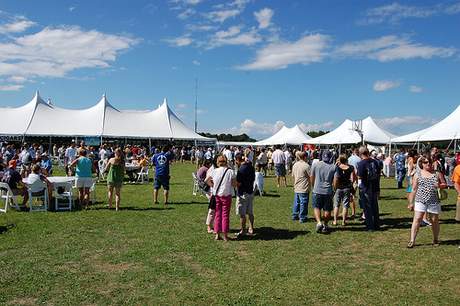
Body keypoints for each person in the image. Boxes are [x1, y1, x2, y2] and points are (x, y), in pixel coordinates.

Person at [407, 156, 446, 248]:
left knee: (434, 220)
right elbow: (413, 189)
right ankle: (412, 240)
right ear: (422, 164)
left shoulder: (437, 173)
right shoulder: (417, 174)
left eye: (429, 162)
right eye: (425, 162)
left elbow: (444, 184)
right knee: (417, 219)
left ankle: (435, 239)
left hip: (434, 200)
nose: (428, 164)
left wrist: (440, 185)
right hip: (420, 200)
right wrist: (411, 203)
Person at [205, 155, 235, 241]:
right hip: (226, 196)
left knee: (217, 215)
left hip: (217, 195)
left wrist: (213, 185)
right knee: (225, 215)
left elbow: (206, 180)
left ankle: (217, 234)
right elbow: (234, 184)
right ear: (226, 162)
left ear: (218, 163)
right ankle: (225, 235)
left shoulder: (214, 171)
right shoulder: (230, 171)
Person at [310, 150, 336, 233]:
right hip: (328, 191)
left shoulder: (315, 164)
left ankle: (319, 222)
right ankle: (325, 224)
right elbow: (335, 180)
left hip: (317, 190)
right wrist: (334, 189)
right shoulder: (333, 167)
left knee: (316, 207)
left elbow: (312, 176)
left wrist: (313, 186)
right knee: (327, 209)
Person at [357, 146, 381, 231]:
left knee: (367, 207)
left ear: (360, 154)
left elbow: (359, 176)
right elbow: (378, 175)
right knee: (375, 206)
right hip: (375, 186)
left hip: (366, 187)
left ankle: (370, 226)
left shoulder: (361, 164)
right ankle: (377, 224)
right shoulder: (376, 162)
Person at [235, 152, 255, 237]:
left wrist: (234, 184)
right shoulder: (251, 167)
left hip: (242, 193)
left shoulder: (240, 170)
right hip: (250, 191)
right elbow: (253, 179)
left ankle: (243, 230)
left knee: (242, 214)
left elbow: (239, 183)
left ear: (237, 160)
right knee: (250, 212)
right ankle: (251, 228)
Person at [333, 154, 357, 226]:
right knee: (345, 205)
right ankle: (343, 221)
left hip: (338, 188)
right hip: (347, 188)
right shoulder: (351, 167)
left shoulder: (337, 167)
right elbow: (352, 179)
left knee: (336, 205)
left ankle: (335, 221)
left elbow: (335, 177)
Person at [292, 151, 311, 223]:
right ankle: (302, 217)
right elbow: (310, 176)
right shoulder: (306, 166)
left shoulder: (295, 165)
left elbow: (293, 176)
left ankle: (295, 215)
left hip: (297, 186)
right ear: (305, 157)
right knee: (303, 202)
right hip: (304, 187)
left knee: (297, 202)